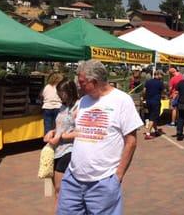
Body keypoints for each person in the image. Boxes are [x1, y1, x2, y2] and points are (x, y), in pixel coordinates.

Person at [57, 60, 143, 215]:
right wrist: (59, 135)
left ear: (94, 82)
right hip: (73, 179)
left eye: (82, 82)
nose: (78, 85)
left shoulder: (122, 100)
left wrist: (117, 177)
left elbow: (131, 141)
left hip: (103, 181)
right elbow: (80, 132)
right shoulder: (83, 101)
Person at [43, 77, 79, 207]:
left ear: (69, 91)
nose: (59, 97)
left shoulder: (78, 106)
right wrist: (52, 132)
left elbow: (81, 132)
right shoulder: (63, 107)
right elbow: (59, 126)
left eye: (61, 94)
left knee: (60, 188)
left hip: (69, 150)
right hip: (57, 149)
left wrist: (63, 136)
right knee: (56, 189)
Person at [143, 70, 164, 139]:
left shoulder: (148, 82)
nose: (162, 76)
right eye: (161, 75)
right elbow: (163, 92)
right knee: (153, 117)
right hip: (156, 101)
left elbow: (144, 91)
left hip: (148, 101)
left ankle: (156, 130)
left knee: (153, 116)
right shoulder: (160, 83)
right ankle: (148, 133)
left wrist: (144, 98)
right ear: (157, 74)